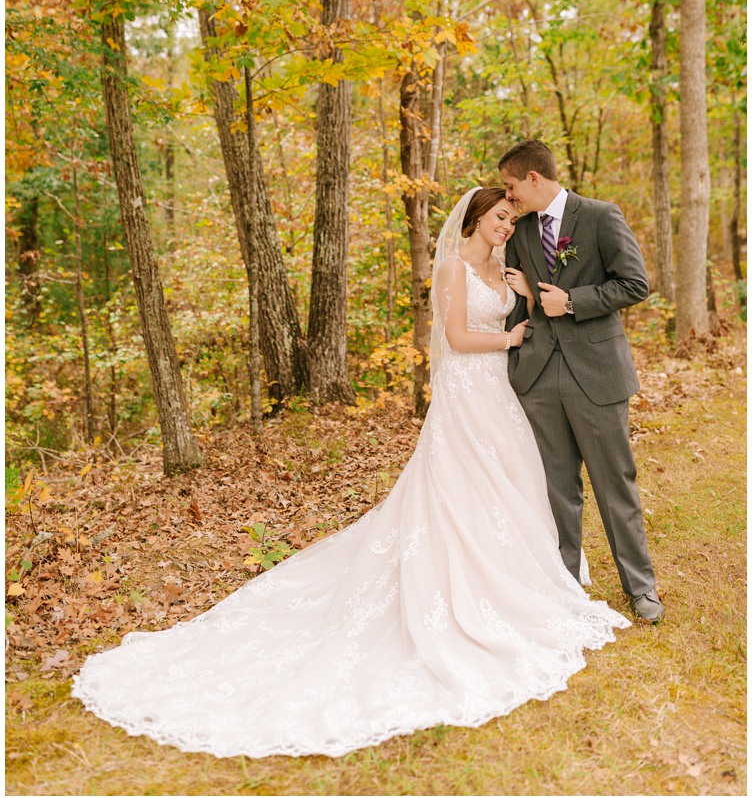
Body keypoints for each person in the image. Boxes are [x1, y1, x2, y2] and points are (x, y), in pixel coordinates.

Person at [72, 188, 629, 758]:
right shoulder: (451, 268)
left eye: (512, 219)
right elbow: (458, 339)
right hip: (467, 392)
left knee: (513, 481)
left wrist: (526, 303)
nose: (507, 226)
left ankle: (524, 577)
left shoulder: (507, 268)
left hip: (500, 395)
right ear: (475, 219)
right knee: (458, 489)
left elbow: (533, 319)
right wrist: (508, 335)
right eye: (499, 218)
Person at [497, 140, 663, 624]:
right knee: (556, 487)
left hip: (596, 371)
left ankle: (641, 588)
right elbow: (514, 291)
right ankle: (565, 585)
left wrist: (569, 301)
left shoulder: (600, 216)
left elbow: (635, 284)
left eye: (511, 186)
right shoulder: (521, 230)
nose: (510, 197)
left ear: (533, 178)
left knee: (615, 483)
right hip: (540, 373)